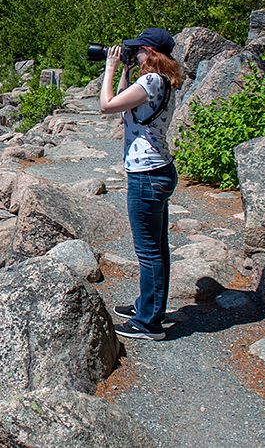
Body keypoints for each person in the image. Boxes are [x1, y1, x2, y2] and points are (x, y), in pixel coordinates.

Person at [98, 27, 183, 341]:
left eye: (139, 50)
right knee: (157, 248)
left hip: (146, 175)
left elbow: (107, 105)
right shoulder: (162, 81)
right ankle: (149, 306)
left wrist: (109, 68)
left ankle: (149, 322)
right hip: (158, 170)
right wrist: (125, 71)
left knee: (148, 252)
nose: (135, 54)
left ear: (151, 52)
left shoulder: (150, 82)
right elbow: (124, 109)